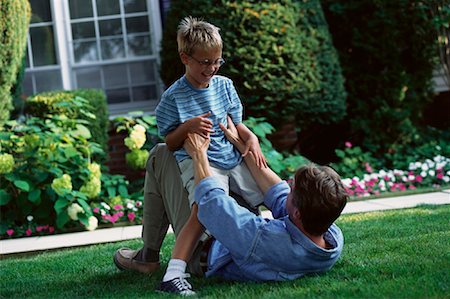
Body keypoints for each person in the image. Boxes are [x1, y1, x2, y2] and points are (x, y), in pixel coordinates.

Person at [114, 119, 348, 296]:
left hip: (203, 247)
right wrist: (241, 144)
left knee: (161, 153)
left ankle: (148, 256)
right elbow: (277, 194)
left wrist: (198, 154)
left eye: (293, 189)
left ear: (297, 213)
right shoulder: (330, 240)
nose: (288, 185)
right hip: (239, 235)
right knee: (231, 161)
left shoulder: (266, 238)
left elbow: (211, 202)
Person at [153, 16, 267, 294]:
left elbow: (237, 124)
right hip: (199, 161)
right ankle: (173, 274)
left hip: (230, 156)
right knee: (202, 208)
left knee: (262, 198)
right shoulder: (173, 97)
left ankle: (281, 243)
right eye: (205, 62)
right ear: (185, 58)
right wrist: (187, 127)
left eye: (217, 61)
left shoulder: (224, 85)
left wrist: (250, 136)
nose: (212, 68)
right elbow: (169, 142)